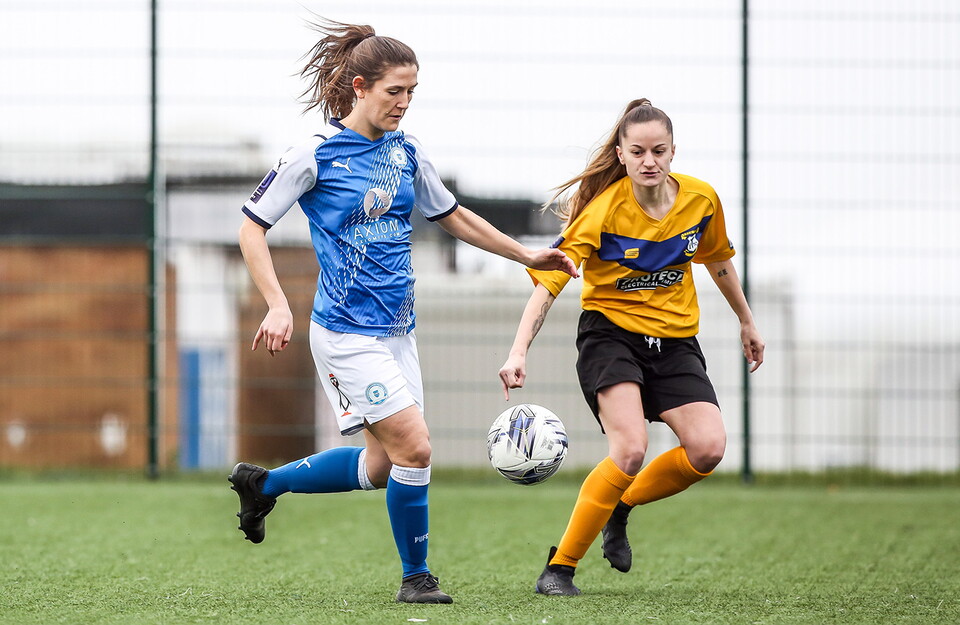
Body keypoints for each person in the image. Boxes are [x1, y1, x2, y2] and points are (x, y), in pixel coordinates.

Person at [229, 18, 577, 605]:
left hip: (397, 333)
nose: (405, 103)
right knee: (416, 448)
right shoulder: (313, 154)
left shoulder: (407, 153)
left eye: (413, 92)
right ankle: (416, 578)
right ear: (360, 87)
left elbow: (455, 216)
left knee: (383, 466)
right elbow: (250, 228)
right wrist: (277, 304)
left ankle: (263, 484)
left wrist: (526, 254)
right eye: (395, 91)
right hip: (344, 333)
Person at [498, 99, 764, 596]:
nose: (649, 161)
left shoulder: (701, 201)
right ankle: (559, 569)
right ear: (621, 154)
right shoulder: (602, 211)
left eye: (659, 150)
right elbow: (548, 284)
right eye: (638, 151)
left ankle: (620, 506)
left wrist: (747, 322)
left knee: (708, 450)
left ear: (672, 151)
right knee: (630, 450)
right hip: (610, 336)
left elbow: (718, 261)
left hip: (676, 341)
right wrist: (518, 351)